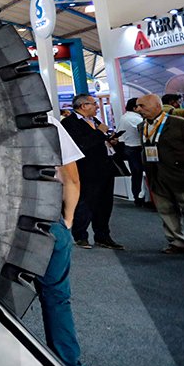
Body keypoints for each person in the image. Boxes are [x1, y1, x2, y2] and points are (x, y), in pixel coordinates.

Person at [36, 113, 119, 366]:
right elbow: (70, 177)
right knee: (56, 298)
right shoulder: (45, 120)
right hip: (44, 219)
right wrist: (68, 221)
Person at [136, 94, 184, 255]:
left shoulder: (180, 124)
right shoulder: (141, 126)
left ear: (157, 106)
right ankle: (176, 242)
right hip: (157, 177)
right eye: (137, 106)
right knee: (166, 211)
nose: (138, 109)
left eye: (142, 106)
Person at [62, 95, 122, 250]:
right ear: (83, 106)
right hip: (86, 170)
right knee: (86, 203)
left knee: (105, 204)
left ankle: (103, 236)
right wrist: (100, 133)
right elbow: (80, 144)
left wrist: (109, 140)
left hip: (105, 168)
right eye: (94, 104)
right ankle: (80, 236)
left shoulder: (94, 121)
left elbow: (96, 140)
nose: (97, 106)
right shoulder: (69, 123)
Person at [116, 98, 147, 208]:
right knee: (139, 174)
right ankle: (140, 197)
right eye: (141, 106)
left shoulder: (125, 117)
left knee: (136, 174)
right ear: (135, 108)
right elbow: (145, 131)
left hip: (129, 148)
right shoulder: (135, 119)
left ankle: (137, 196)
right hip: (136, 148)